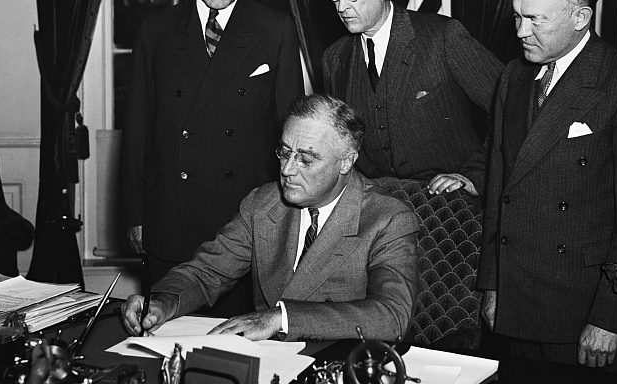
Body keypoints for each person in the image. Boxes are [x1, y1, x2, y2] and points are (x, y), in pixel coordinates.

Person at [430, 0, 617, 374]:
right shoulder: (514, 77)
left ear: (580, 17)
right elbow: (501, 190)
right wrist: (491, 285)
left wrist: (608, 318)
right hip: (513, 298)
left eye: (535, 20)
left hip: (578, 308)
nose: (521, 32)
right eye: (517, 17)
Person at [119, 0, 304, 317]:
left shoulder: (276, 30)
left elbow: (291, 135)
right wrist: (135, 213)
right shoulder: (157, 30)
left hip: (243, 221)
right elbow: (136, 131)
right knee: (164, 336)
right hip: (171, 215)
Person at [122, 93, 421, 343]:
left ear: (346, 162)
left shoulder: (387, 218)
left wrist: (282, 317)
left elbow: (391, 315)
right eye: (284, 152)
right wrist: (164, 301)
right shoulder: (262, 204)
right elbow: (207, 272)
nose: (288, 169)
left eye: (306, 158)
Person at [321, 0, 502, 186]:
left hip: (450, 205)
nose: (342, 6)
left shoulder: (443, 36)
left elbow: (513, 109)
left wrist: (474, 176)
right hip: (378, 204)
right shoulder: (334, 59)